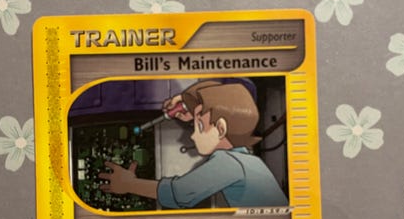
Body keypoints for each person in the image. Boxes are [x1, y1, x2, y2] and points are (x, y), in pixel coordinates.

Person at [99, 80, 288, 208]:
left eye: (199, 126)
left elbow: (181, 193)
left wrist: (129, 184)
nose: (193, 136)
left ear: (221, 129)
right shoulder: (250, 162)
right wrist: (189, 102)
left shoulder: (230, 162)